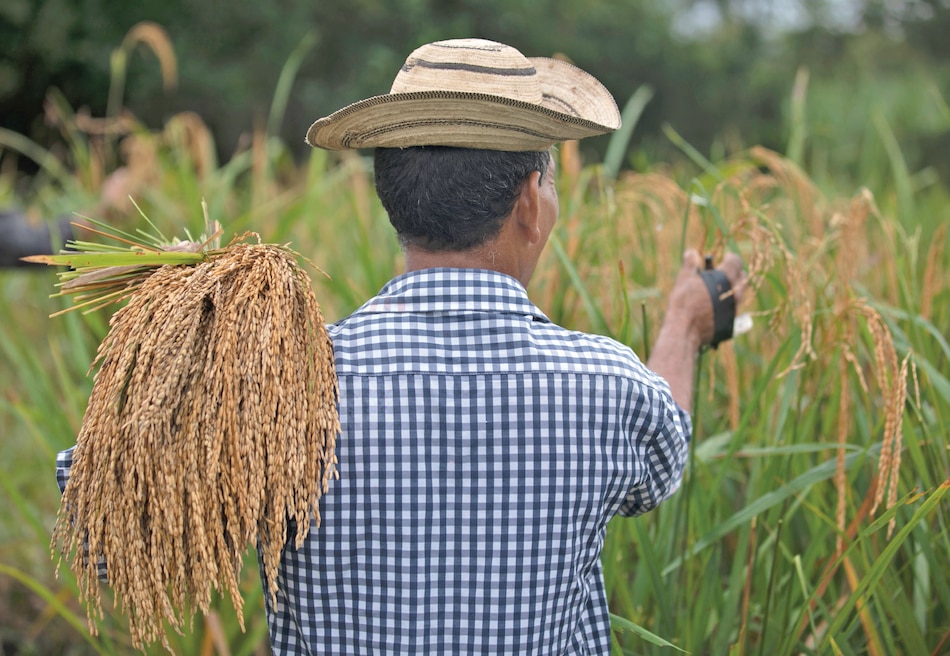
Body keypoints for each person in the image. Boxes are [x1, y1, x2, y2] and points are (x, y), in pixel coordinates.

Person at [58, 38, 746, 654]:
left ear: (391, 198)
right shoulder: (605, 386)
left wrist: (188, 346)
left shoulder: (285, 391)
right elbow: (666, 447)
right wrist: (683, 326)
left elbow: (105, 520)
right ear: (531, 203)